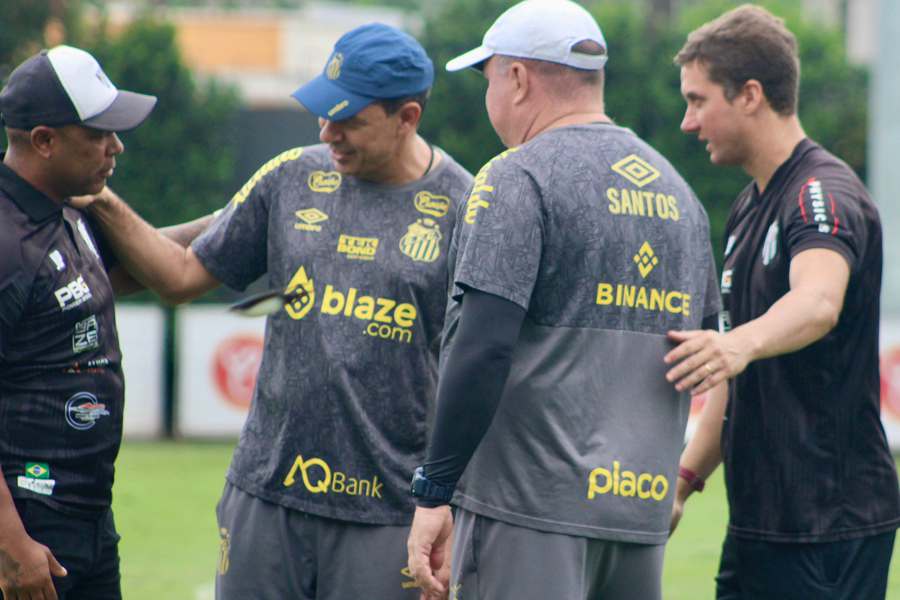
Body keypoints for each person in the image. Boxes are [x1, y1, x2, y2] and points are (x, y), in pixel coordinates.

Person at [79, 23, 472, 600]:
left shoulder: (465, 207)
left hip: (389, 513)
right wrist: (98, 200)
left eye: (349, 120)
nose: (328, 132)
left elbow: (492, 355)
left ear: (407, 116)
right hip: (267, 494)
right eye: (322, 113)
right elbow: (181, 274)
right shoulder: (292, 176)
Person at [405, 1, 720, 598]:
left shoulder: (515, 176)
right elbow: (704, 352)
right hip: (637, 517)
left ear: (518, 78)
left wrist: (434, 490)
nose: (489, 96)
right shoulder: (681, 196)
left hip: (529, 512)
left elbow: (482, 348)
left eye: (488, 77)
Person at [665, 5, 900, 599]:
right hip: (758, 525)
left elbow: (817, 302)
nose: (688, 122)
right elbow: (735, 372)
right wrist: (685, 481)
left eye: (698, 100)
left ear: (749, 95)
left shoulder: (820, 193)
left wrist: (734, 343)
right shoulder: (749, 207)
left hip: (827, 524)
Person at [0, 45, 158, 600]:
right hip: (27, 528)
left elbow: (145, 268)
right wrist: (10, 543)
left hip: (87, 517)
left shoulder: (68, 208)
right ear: (44, 140)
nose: (116, 145)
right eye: (99, 133)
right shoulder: (6, 242)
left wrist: (243, 223)